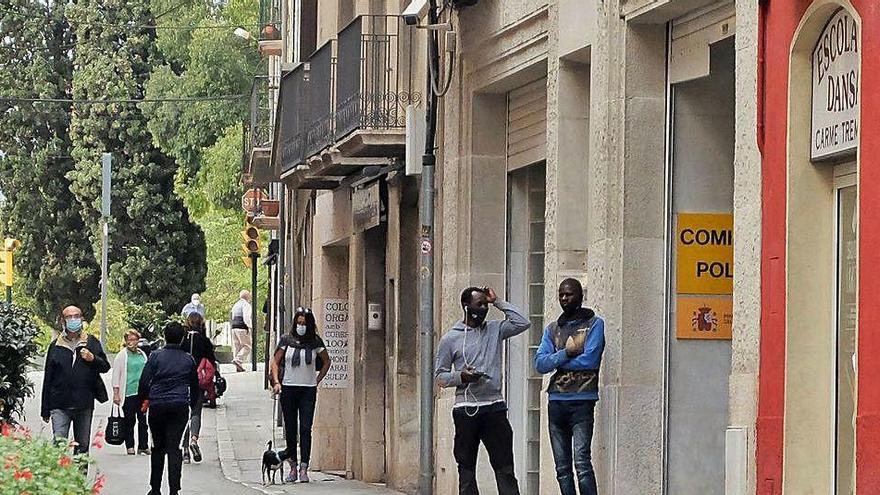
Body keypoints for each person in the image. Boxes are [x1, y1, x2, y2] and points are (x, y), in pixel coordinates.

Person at [434, 287, 530, 495]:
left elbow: (523, 322)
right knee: (466, 467)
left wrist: (498, 302)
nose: (484, 308)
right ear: (466, 307)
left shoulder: (495, 330)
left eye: (485, 304)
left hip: (494, 406)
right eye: (480, 304)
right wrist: (461, 377)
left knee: (505, 466)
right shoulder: (450, 339)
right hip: (466, 409)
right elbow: (440, 377)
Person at [535, 278, 606, 495]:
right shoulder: (553, 328)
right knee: (562, 467)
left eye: (569, 294)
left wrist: (557, 360)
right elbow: (540, 363)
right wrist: (566, 353)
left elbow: (590, 360)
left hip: (582, 400)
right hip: (556, 401)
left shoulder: (594, 323)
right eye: (561, 295)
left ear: (580, 296)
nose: (564, 299)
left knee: (582, 463)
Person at [270, 307, 330, 483]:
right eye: (299, 323)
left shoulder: (315, 342)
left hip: (308, 389)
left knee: (305, 428)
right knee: (290, 429)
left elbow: (326, 361)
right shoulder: (286, 340)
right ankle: (293, 467)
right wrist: (276, 382)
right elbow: (275, 361)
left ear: (309, 324)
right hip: (288, 388)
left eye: (304, 323)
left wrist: (317, 379)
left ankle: (304, 467)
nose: (301, 326)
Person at [139, 322, 200, 495]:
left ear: (165, 336)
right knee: (174, 448)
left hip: (158, 404)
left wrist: (144, 399)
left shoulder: (155, 356)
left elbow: (144, 381)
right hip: (179, 405)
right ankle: (174, 489)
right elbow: (195, 386)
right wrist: (192, 404)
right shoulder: (188, 359)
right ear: (182, 338)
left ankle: (155, 488)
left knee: (157, 447)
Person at [41, 305, 110, 455]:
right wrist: (45, 408)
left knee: (82, 447)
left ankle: (79, 478)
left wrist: (93, 359)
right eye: (69, 317)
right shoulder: (55, 346)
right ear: (63, 321)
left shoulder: (91, 342)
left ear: (82, 319)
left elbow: (105, 366)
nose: (73, 320)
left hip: (83, 404)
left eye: (76, 316)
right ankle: (59, 477)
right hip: (59, 404)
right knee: (58, 445)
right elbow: (48, 378)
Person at [181, 312, 217, 464]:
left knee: (183, 414)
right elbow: (212, 361)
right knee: (196, 412)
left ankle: (184, 449)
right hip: (199, 381)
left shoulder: (182, 340)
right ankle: (194, 439)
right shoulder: (205, 341)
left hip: (182, 380)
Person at [111, 329, 150, 456]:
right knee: (129, 420)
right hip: (128, 393)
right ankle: (130, 446)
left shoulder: (142, 354)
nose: (131, 342)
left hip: (142, 393)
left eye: (133, 339)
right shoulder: (122, 356)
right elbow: (116, 375)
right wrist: (116, 393)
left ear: (138, 341)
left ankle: (143, 446)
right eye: (128, 340)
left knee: (143, 421)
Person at [230, 290, 253, 372]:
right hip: (242, 327)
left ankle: (238, 366)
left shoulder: (235, 305)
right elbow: (246, 317)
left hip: (234, 327)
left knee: (237, 347)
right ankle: (238, 360)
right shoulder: (246, 305)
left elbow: (232, 316)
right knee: (247, 346)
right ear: (247, 296)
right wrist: (249, 326)